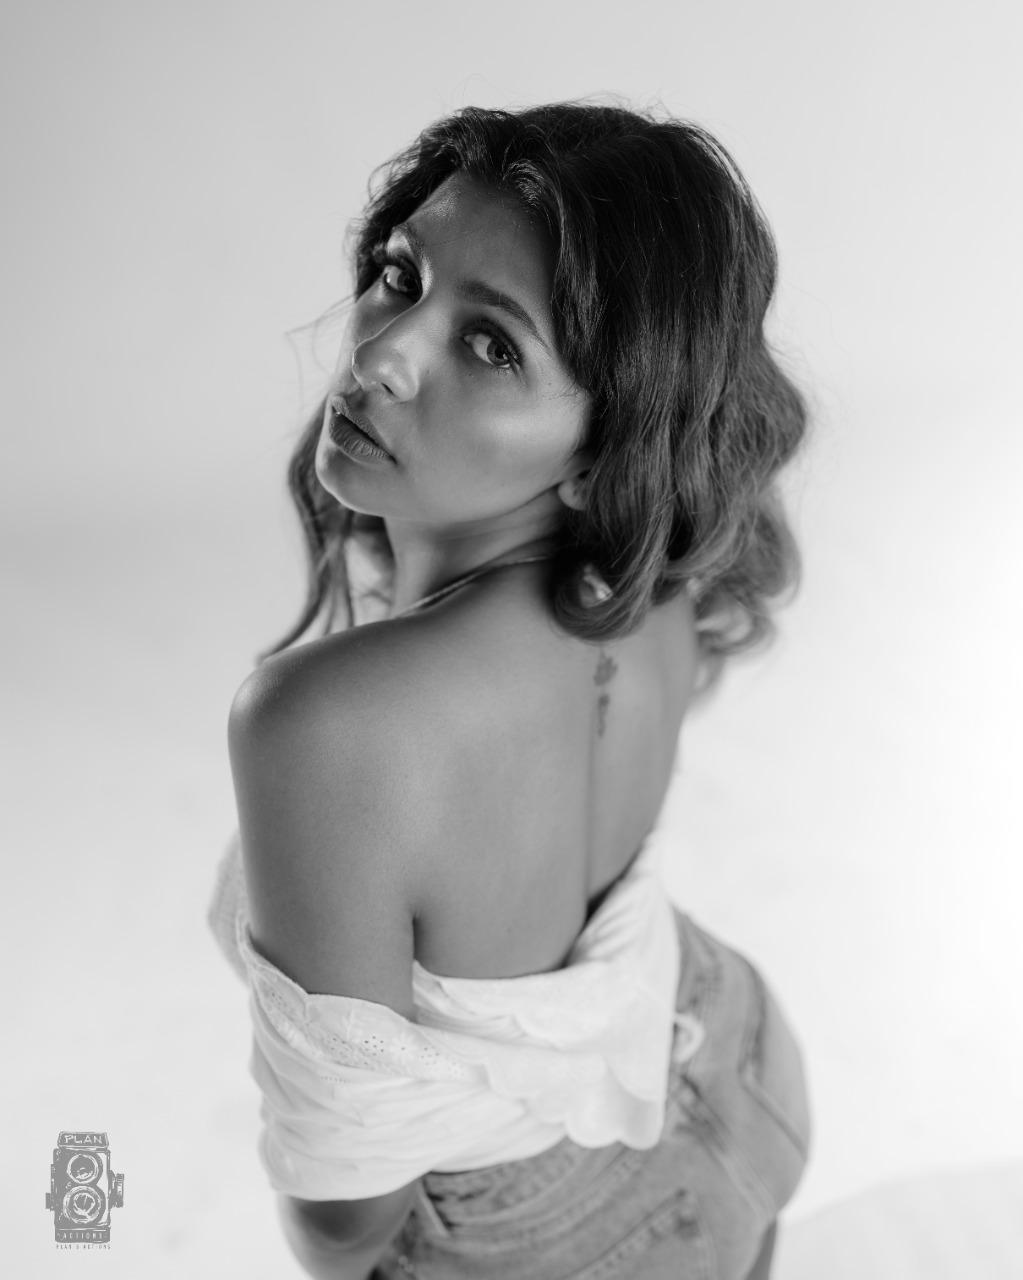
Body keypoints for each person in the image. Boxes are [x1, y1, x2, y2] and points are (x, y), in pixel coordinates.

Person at [208, 100, 812, 1279]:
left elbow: (346, 1217)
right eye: (401, 274)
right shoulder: (654, 577)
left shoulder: (326, 723)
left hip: (543, 1241)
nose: (380, 353)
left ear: (601, 452)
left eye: (491, 345)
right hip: (742, 1065)